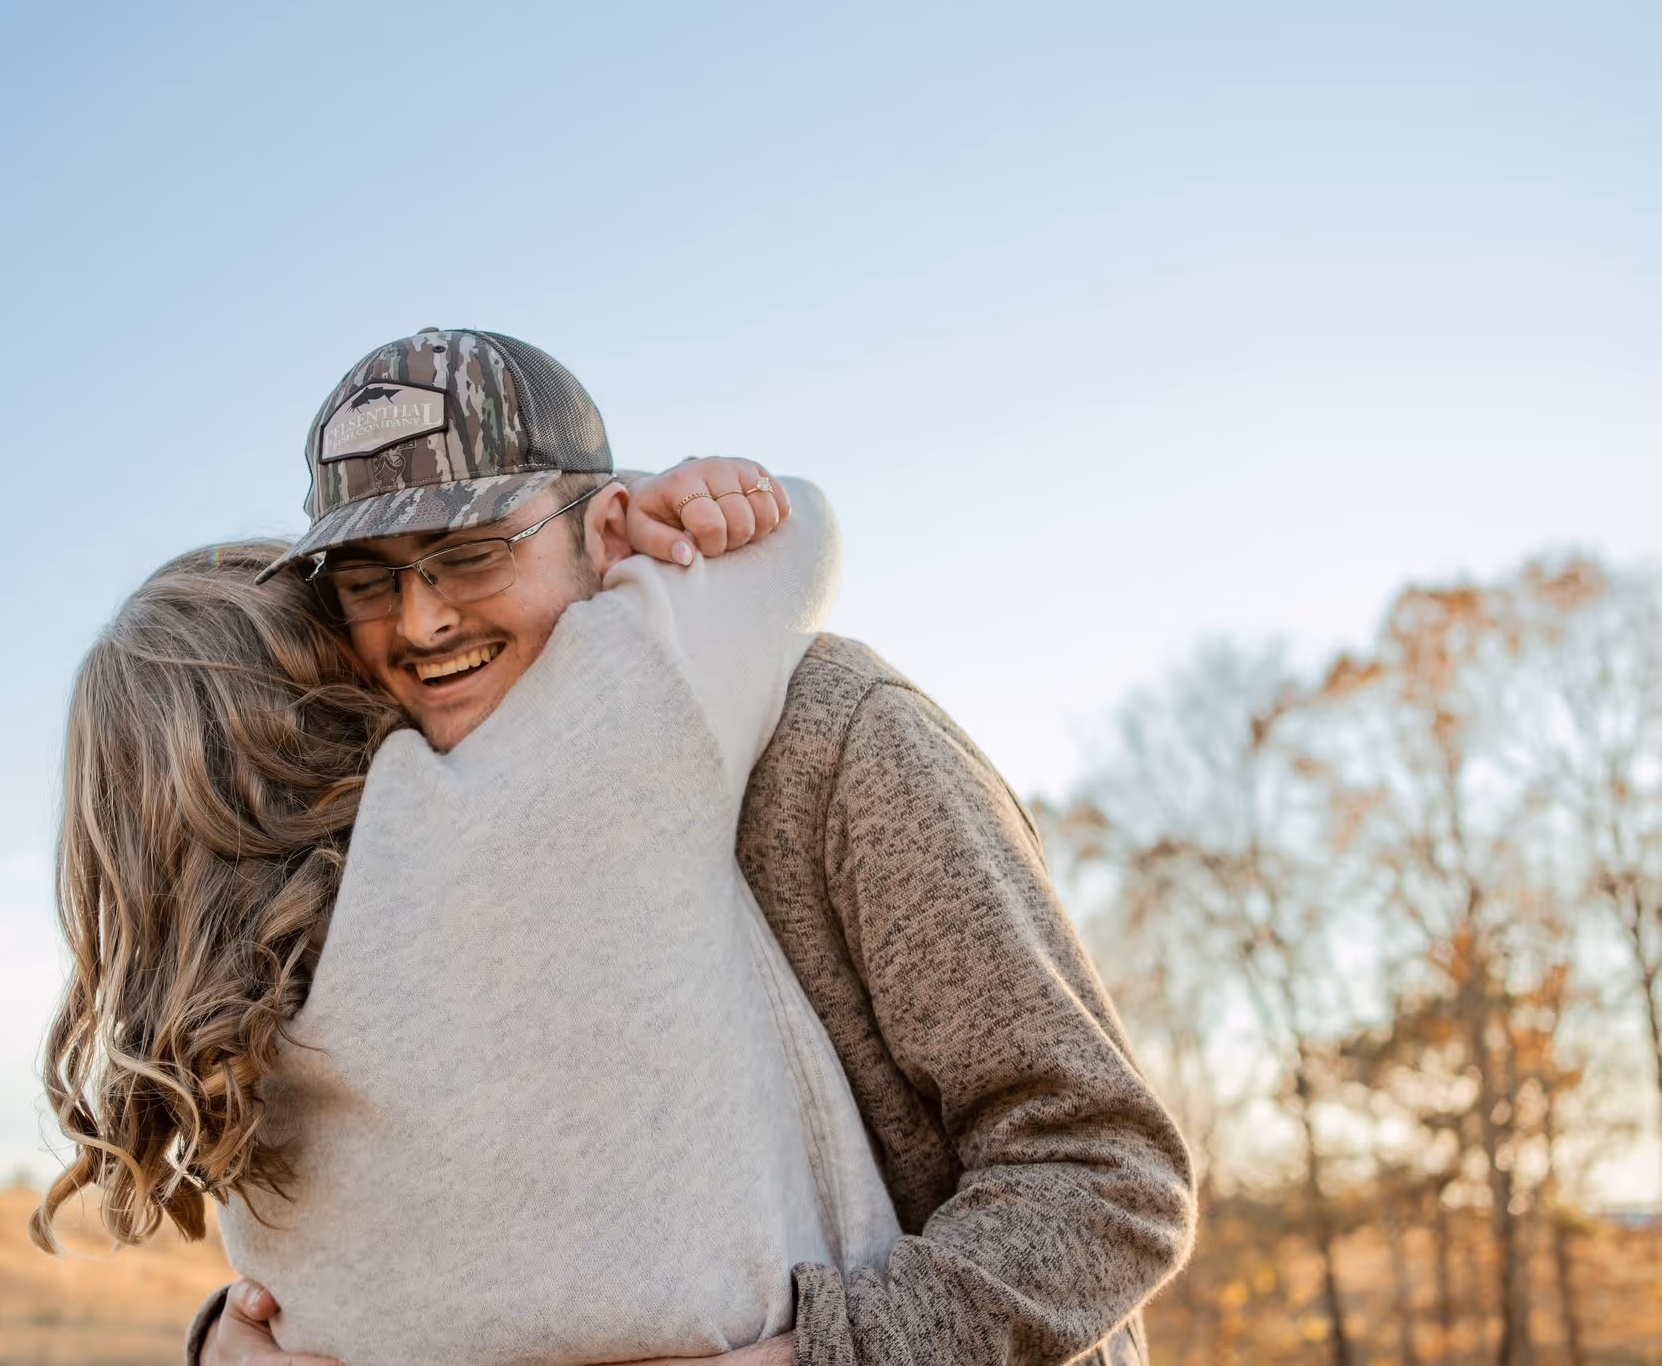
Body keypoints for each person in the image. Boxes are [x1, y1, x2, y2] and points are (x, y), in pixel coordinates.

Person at [185, 328, 1195, 1366]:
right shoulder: (386, 830)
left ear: (607, 525)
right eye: (368, 581)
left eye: (472, 554)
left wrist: (815, 1358)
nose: (422, 620)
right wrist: (243, 1332)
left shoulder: (832, 731)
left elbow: (1104, 1174)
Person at [40, 457, 904, 1365]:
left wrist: (214, 1339)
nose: (417, 620)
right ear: (331, 675)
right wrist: (606, 510)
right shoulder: (565, 761)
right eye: (365, 590)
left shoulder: (223, 1052)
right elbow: (792, 529)